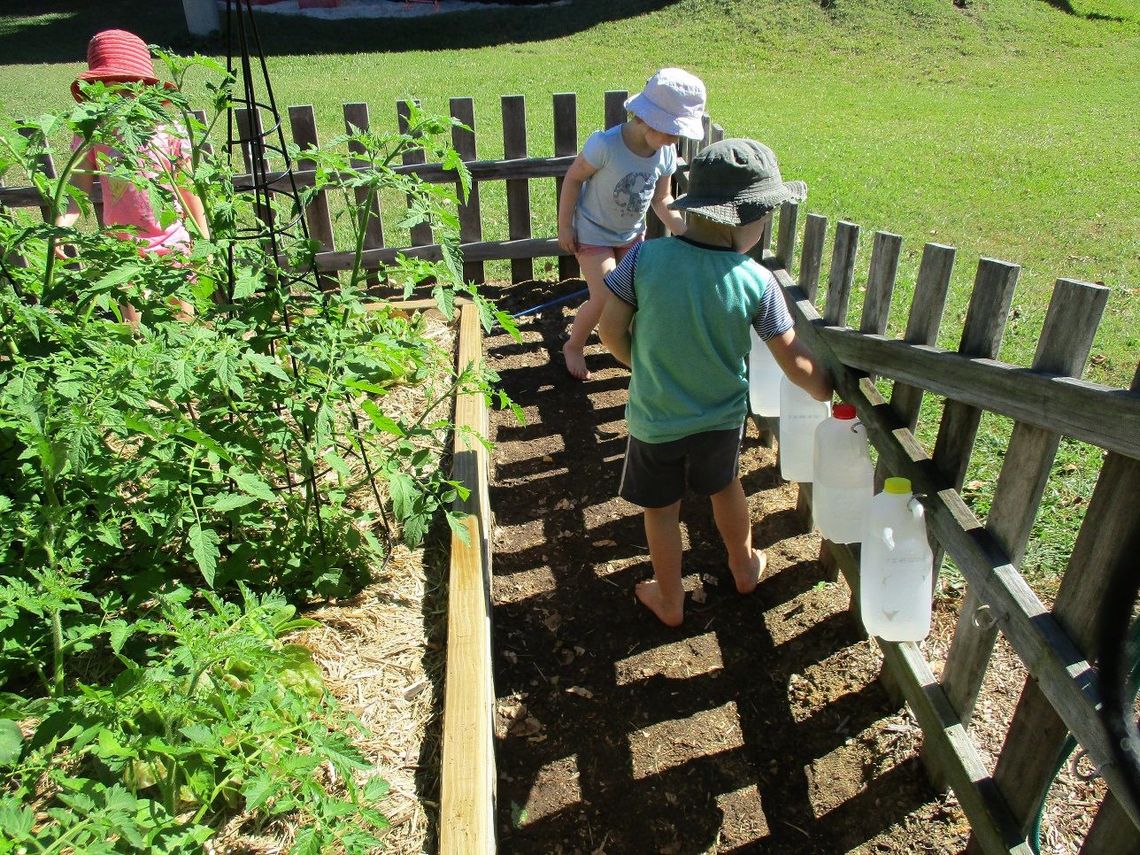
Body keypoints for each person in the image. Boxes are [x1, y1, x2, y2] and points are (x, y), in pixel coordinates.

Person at [598, 138, 833, 627]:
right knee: (726, 487)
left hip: (656, 418)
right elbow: (794, 361)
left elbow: (609, 329)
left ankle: (670, 600)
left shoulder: (644, 259)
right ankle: (744, 566)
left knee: (661, 510)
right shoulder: (756, 280)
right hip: (721, 420)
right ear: (748, 217)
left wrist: (638, 365)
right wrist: (828, 387)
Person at [556, 67, 706, 380]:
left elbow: (661, 200)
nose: (673, 138)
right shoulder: (606, 146)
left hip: (631, 235)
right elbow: (572, 178)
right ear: (645, 118)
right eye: (670, 130)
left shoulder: (665, 151)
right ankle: (573, 345)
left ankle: (630, 347)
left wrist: (686, 233)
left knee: (636, 297)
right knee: (605, 296)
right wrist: (565, 226)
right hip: (593, 233)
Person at [55, 29, 208, 325]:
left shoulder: (167, 130)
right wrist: (61, 226)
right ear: (94, 91)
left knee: (183, 320)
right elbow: (77, 189)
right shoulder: (92, 133)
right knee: (134, 329)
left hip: (172, 239)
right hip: (123, 246)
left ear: (146, 89)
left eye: (128, 89)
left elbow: (188, 188)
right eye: (111, 90)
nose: (121, 99)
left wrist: (204, 239)